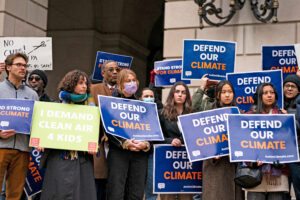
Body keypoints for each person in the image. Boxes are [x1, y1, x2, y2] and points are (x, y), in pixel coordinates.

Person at [39, 70, 97, 200]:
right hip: (59, 158)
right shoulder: (55, 108)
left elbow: (95, 133)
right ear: (71, 84)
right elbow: (46, 129)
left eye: (86, 83)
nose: (84, 86)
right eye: (80, 83)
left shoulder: (91, 109)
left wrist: (94, 144)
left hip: (82, 160)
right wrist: (41, 141)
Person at [192, 78, 243, 200]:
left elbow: (244, 141)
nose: (227, 95)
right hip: (214, 166)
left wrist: (237, 155)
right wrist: (212, 153)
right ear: (218, 94)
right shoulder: (208, 113)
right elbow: (201, 139)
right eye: (223, 92)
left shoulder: (239, 113)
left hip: (233, 167)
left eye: (230, 91)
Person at [106, 69, 151, 200]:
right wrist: (124, 143)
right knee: (116, 191)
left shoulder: (143, 106)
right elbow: (108, 128)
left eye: (133, 80)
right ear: (120, 84)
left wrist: (146, 144)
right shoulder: (111, 103)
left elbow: (151, 130)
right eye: (128, 81)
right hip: (119, 153)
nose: (132, 83)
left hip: (139, 155)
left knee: (136, 193)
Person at [0, 53, 39, 200]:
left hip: (22, 149)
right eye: (19, 65)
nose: (23, 68)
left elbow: (37, 122)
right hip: (1, 146)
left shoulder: (32, 94)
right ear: (8, 67)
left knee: (15, 195)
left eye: (25, 65)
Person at [246, 83, 289, 200]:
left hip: (278, 173)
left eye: (272, 92)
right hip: (256, 173)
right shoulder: (249, 116)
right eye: (265, 93)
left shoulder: (282, 115)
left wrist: (287, 120)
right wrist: (252, 160)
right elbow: (244, 143)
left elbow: (288, 143)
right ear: (259, 96)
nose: (269, 95)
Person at [90, 60, 120, 200]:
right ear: (103, 73)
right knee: (99, 182)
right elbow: (90, 115)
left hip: (119, 145)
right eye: (111, 69)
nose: (115, 72)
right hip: (100, 142)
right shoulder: (93, 89)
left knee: (115, 182)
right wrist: (103, 134)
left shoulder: (124, 90)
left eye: (117, 69)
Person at [159, 81, 193, 200]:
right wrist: (170, 141)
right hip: (168, 162)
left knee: (186, 196)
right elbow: (157, 137)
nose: (180, 95)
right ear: (172, 94)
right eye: (177, 92)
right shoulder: (162, 113)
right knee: (167, 196)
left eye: (183, 93)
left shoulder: (192, 113)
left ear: (187, 96)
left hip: (186, 164)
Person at [140, 87, 158, 200]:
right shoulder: (133, 112)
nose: (149, 98)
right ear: (141, 99)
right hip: (136, 153)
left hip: (151, 153)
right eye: (146, 96)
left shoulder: (159, 113)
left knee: (151, 188)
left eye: (151, 96)